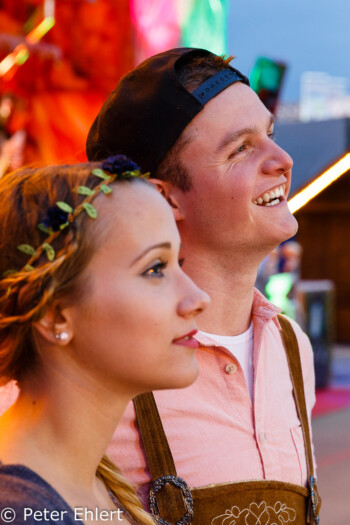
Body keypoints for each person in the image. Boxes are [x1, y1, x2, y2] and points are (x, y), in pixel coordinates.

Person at [85, 48, 321, 524]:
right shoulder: (97, 374)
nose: (283, 160)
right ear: (163, 198)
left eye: (270, 135)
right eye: (241, 148)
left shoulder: (292, 349)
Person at [0, 154, 209, 524]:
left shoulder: (90, 480)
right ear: (55, 313)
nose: (198, 298)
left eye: (180, 263)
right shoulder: (21, 511)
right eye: (155, 268)